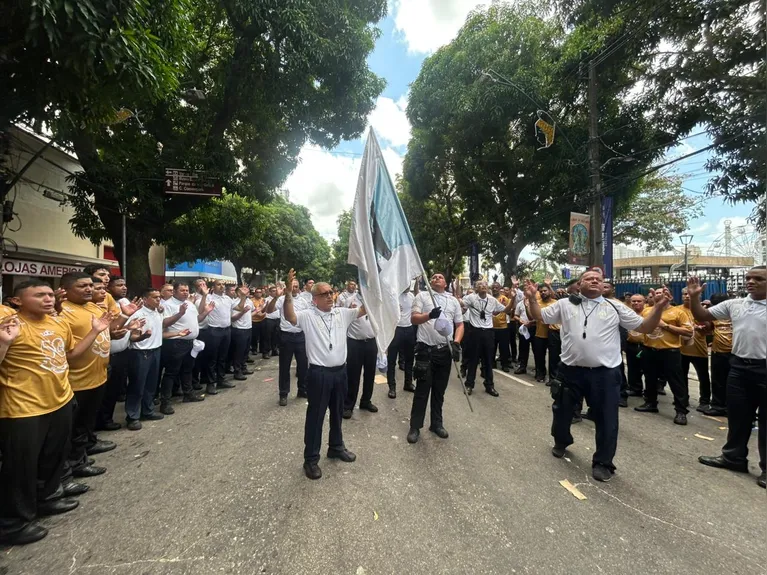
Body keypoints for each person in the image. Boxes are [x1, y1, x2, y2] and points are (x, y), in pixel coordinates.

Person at [525, 269, 671, 482]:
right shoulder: (566, 304)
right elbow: (540, 316)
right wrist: (531, 299)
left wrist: (658, 308)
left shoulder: (615, 306)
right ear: (579, 284)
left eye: (598, 279)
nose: (594, 281)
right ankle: (561, 441)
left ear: (603, 286)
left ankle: (603, 462)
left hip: (604, 374)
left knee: (606, 419)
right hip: (570, 371)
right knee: (562, 411)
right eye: (589, 278)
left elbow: (645, 327)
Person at [0, 281, 109, 545]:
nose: (48, 299)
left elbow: (70, 355)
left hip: (60, 400)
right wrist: (4, 342)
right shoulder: (9, 324)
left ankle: (47, 499)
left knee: (53, 457)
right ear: (17, 301)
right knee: (20, 468)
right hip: (23, 408)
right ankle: (12, 525)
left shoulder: (57, 323)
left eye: (50, 294)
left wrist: (95, 332)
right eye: (39, 295)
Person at [687, 269, 766, 490]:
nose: (751, 282)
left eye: (758, 279)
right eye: (749, 278)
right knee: (738, 416)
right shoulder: (735, 304)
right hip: (739, 366)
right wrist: (694, 298)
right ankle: (733, 458)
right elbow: (702, 317)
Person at [280, 270, 361, 480]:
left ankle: (335, 446)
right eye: (324, 294)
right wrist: (288, 292)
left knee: (337, 413)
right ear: (314, 299)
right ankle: (311, 459)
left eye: (331, 292)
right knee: (316, 417)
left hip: (340, 373)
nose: (329, 296)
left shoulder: (342, 313)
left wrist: (372, 286)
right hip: (319, 374)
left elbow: (365, 310)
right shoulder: (308, 316)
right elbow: (290, 316)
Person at [58, 272, 120, 478]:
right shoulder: (61, 312)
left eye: (89, 286)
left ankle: (82, 454)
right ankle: (72, 466)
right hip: (76, 380)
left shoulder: (94, 307)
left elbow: (107, 331)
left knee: (86, 422)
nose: (88, 289)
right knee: (72, 428)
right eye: (82, 286)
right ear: (65, 290)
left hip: (98, 374)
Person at [407, 273, 464, 444]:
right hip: (426, 351)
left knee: (439, 390)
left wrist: (456, 342)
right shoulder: (422, 296)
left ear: (445, 282)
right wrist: (429, 316)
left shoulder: (453, 301)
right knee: (422, 391)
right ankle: (415, 426)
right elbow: (414, 319)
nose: (437, 278)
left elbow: (459, 324)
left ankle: (436, 423)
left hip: (444, 352)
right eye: (434, 276)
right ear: (430, 281)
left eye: (440, 277)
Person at [634, 286, 693, 425]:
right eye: (656, 293)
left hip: (670, 352)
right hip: (649, 350)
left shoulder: (678, 312)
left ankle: (681, 411)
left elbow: (688, 332)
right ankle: (650, 403)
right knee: (650, 379)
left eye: (662, 292)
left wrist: (665, 326)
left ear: (670, 296)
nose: (658, 294)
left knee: (676, 382)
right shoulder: (647, 311)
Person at [160, 282, 209, 413]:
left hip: (190, 342)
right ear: (174, 291)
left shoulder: (190, 304)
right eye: (182, 290)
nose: (186, 292)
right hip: (175, 342)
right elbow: (164, 322)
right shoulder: (167, 304)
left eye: (187, 290)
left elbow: (196, 319)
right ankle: (165, 402)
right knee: (171, 373)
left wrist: (206, 312)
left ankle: (188, 394)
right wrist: (180, 314)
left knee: (187, 370)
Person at [459, 280, 514, 396]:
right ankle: (469, 384)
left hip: (489, 332)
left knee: (489, 360)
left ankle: (489, 385)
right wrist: (456, 292)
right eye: (480, 285)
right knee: (473, 360)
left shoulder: (492, 300)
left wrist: (513, 299)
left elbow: (506, 310)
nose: (483, 286)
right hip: (475, 331)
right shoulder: (471, 298)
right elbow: (461, 304)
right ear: (476, 289)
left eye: (484, 285)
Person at [124, 288, 165, 430]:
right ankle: (132, 416)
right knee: (137, 385)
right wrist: (143, 336)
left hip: (156, 350)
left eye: (159, 297)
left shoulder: (157, 312)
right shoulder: (139, 314)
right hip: (141, 353)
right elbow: (133, 337)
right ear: (145, 299)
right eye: (155, 297)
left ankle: (148, 410)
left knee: (151, 384)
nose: (158, 300)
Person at [265, 278, 310, 405]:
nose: (294, 288)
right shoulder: (281, 299)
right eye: (291, 286)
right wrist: (275, 297)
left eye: (296, 286)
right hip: (286, 336)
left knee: (303, 365)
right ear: (287, 288)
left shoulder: (304, 300)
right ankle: (283, 394)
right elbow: (268, 311)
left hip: (301, 336)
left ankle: (302, 389)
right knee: (284, 366)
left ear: (299, 287)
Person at [341, 290, 378, 417]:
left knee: (370, 374)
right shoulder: (349, 300)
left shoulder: (375, 299)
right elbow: (343, 320)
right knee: (353, 375)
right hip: (355, 343)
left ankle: (366, 401)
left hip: (371, 342)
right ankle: (348, 405)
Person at [680, 288, 713, 412]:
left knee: (703, 377)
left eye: (690, 294)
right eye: (685, 294)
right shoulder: (677, 310)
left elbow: (711, 329)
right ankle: (683, 398)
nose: (687, 296)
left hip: (699, 349)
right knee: (681, 376)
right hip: (681, 349)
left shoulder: (704, 311)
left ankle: (704, 401)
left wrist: (703, 327)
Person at [704, 292, 732, 416]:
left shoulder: (735, 312)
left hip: (736, 353)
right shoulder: (713, 314)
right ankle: (718, 406)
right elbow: (708, 329)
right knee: (718, 380)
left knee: (734, 382)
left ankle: (733, 407)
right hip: (718, 352)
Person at [387, 285, 417, 398]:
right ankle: (392, 387)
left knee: (409, 359)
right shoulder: (394, 296)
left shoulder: (412, 296)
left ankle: (408, 383)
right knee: (392, 360)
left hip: (409, 329)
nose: (408, 286)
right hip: (396, 329)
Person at [531, 283, 556, 383]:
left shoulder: (556, 303)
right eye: (541, 291)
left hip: (553, 334)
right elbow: (534, 317)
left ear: (549, 291)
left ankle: (553, 378)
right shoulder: (537, 303)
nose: (543, 293)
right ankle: (540, 374)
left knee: (553, 358)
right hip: (539, 334)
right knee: (539, 356)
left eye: (545, 291)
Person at [229, 286, 254, 381]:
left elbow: (251, 313)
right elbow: (233, 318)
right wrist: (242, 312)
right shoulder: (234, 302)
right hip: (239, 329)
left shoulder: (250, 301)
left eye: (246, 289)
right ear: (238, 293)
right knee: (238, 352)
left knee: (246, 351)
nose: (246, 291)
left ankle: (243, 367)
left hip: (248, 328)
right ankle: (237, 371)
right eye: (243, 290)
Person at [625, 294, 647, 397]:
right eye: (634, 301)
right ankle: (635, 388)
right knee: (632, 368)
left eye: (639, 301)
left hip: (645, 346)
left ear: (644, 301)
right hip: (631, 345)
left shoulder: (649, 312)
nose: (636, 303)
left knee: (648, 369)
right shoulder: (627, 312)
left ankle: (650, 392)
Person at [491, 282, 512, 373]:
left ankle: (505, 365)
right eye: (493, 287)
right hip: (491, 327)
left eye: (496, 287)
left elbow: (510, 312)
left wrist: (504, 307)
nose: (495, 289)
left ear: (500, 288)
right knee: (492, 347)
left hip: (503, 327)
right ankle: (492, 363)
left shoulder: (505, 299)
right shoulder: (489, 299)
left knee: (504, 347)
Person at [263, 285, 281, 359]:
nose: (275, 293)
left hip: (277, 319)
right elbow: (264, 310)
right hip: (269, 319)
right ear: (269, 292)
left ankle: (274, 350)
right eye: (273, 291)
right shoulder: (266, 299)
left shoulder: (279, 299)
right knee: (267, 336)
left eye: (276, 291)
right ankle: (266, 352)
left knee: (276, 336)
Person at [250, 288, 266, 356]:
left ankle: (262, 349)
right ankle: (254, 349)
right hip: (254, 320)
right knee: (254, 336)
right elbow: (254, 311)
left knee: (263, 335)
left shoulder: (263, 300)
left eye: (260, 292)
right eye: (257, 292)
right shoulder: (251, 301)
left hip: (262, 320)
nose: (259, 293)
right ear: (255, 293)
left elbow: (265, 309)